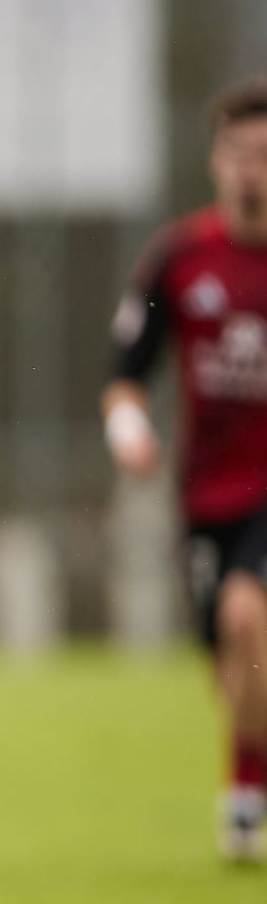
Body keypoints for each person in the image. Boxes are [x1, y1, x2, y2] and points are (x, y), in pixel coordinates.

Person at [103, 78, 267, 862]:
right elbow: (123, 373)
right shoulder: (181, 257)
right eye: (239, 154)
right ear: (215, 160)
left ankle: (242, 796)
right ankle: (248, 774)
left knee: (248, 618)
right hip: (206, 493)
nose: (251, 172)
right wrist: (131, 430)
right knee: (230, 656)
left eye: (265, 157)